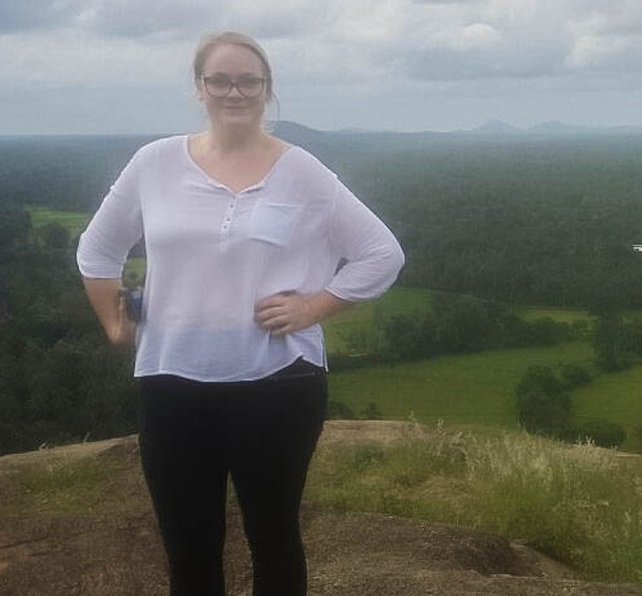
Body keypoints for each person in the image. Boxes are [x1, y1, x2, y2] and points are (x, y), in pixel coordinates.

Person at [76, 31, 404, 596]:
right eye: (220, 80)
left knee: (274, 538)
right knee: (189, 547)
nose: (235, 92)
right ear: (199, 88)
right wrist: (114, 322)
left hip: (279, 383)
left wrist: (314, 306)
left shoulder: (302, 172)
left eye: (249, 81)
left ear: (267, 89)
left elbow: (382, 254)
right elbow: (97, 250)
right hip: (173, 380)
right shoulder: (154, 164)